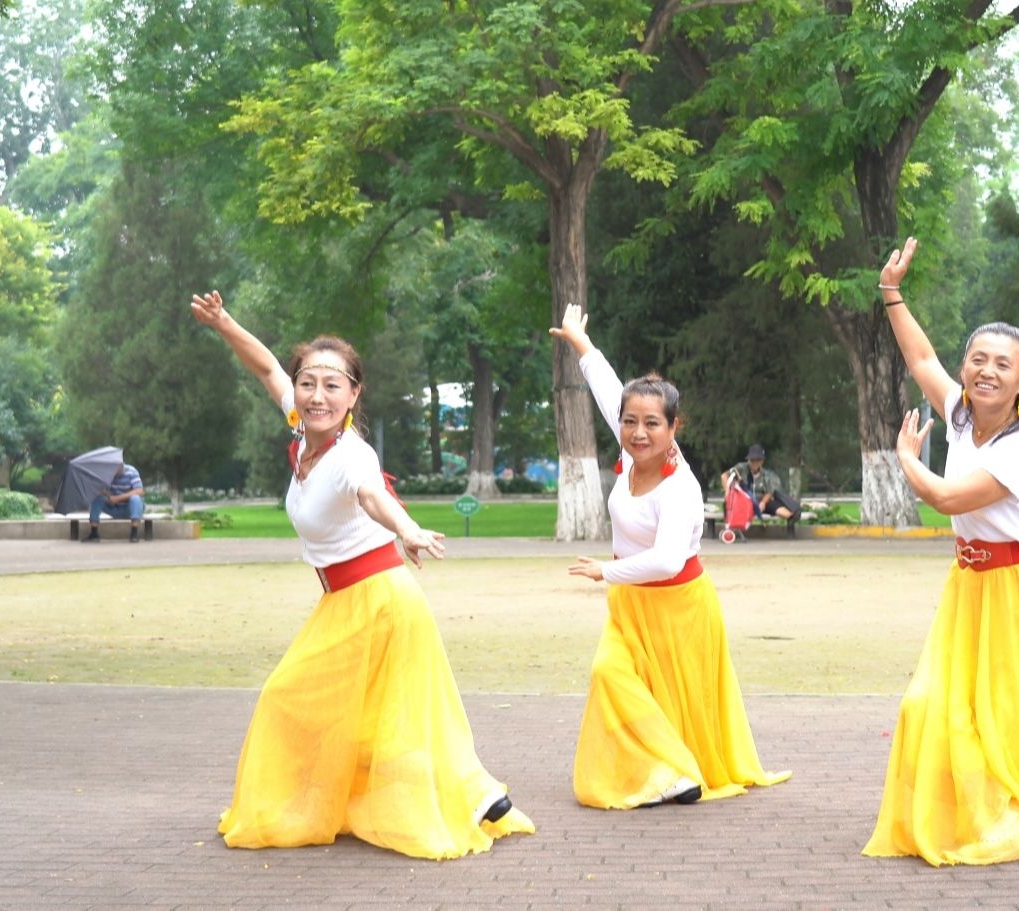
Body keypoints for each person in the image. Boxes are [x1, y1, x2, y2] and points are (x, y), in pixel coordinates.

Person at [189, 290, 533, 859]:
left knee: (292, 699)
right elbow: (266, 366)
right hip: (347, 601)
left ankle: (467, 792)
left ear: (354, 394)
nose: (317, 395)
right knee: (370, 718)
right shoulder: (301, 429)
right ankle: (476, 792)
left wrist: (409, 528)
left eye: (332, 385)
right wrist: (224, 322)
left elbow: (373, 496)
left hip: (378, 599)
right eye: (309, 383)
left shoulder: (353, 454)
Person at [862, 238, 1019, 865]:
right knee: (930, 704)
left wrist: (904, 462)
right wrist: (891, 292)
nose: (985, 371)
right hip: (969, 586)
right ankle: (996, 811)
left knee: (1008, 714)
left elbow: (949, 499)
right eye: (977, 359)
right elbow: (921, 357)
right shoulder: (956, 413)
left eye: (1002, 364)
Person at [549, 303, 790, 809]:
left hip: (678, 606)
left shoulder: (679, 487)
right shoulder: (630, 451)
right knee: (610, 675)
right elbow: (610, 390)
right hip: (631, 607)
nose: (639, 431)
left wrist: (604, 570)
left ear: (673, 427)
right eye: (630, 422)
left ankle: (673, 772)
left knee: (671, 697)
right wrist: (580, 344)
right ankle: (667, 770)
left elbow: (664, 561)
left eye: (652, 424)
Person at [723, 444, 800, 524]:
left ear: (762, 461)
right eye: (752, 460)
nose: (755, 463)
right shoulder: (741, 468)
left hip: (761, 500)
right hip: (744, 501)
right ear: (748, 460)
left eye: (758, 460)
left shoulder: (766, 474)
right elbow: (724, 476)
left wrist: (763, 503)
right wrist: (727, 491)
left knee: (787, 514)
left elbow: (769, 492)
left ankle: (790, 529)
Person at [84, 463, 145, 543]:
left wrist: (118, 498)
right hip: (113, 507)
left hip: (129, 508)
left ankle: (134, 534)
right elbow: (99, 490)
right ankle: (94, 533)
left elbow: (139, 491)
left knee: (135, 498)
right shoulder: (105, 474)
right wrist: (105, 494)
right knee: (97, 499)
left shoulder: (131, 471)